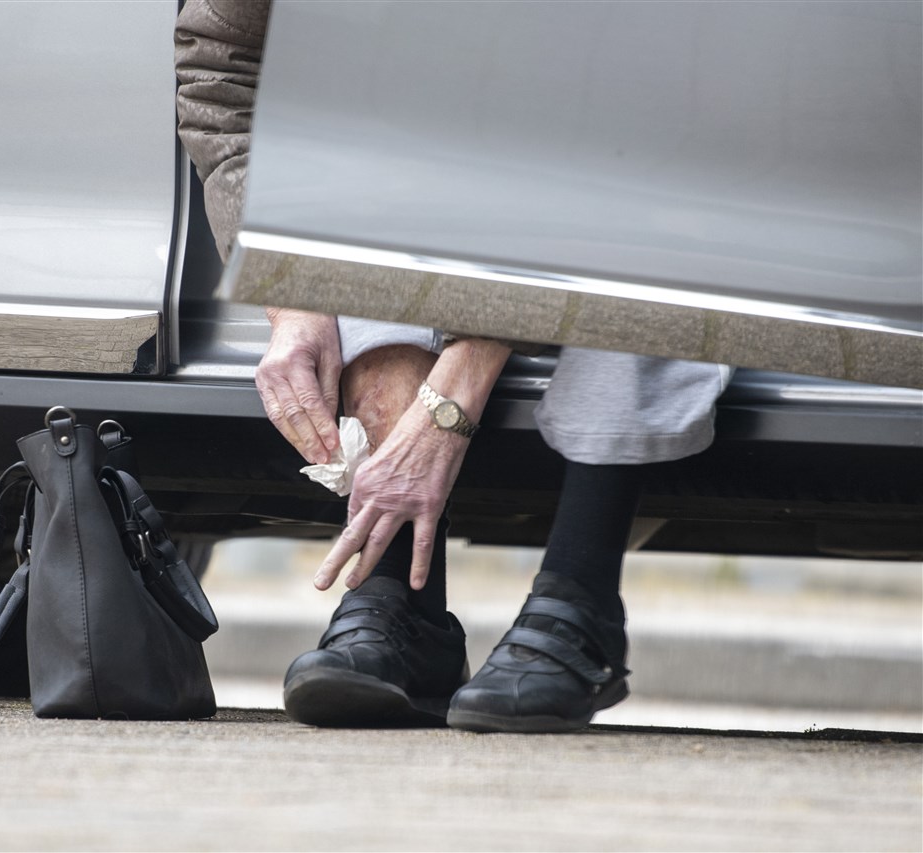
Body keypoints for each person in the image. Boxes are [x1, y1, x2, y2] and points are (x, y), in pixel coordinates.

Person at [175, 0, 730, 731]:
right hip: (445, 165)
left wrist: (460, 385)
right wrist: (291, 295)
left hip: (625, 164)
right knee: (358, 241)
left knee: (646, 261)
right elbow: (219, 68)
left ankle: (581, 599)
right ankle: (401, 608)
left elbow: (619, 108)